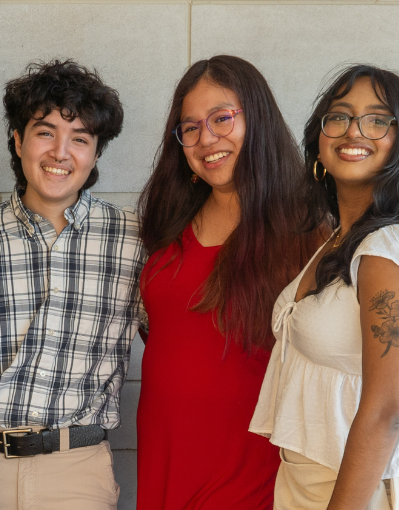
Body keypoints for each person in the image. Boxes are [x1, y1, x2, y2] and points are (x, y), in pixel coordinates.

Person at [249, 65, 399, 510]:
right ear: (319, 137)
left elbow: (386, 411)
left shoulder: (390, 248)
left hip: (379, 484)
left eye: (377, 120)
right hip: (324, 474)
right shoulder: (347, 235)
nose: (354, 131)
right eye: (339, 116)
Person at [0, 59, 141, 510]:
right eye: (46, 132)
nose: (60, 152)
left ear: (96, 153)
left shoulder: (133, 242)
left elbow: (177, 341)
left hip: (78, 471)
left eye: (80, 139)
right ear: (18, 140)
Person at [134, 55, 322, 510]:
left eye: (222, 118)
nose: (206, 139)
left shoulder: (307, 230)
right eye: (190, 127)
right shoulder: (169, 220)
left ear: (256, 119)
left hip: (249, 467)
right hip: (165, 456)